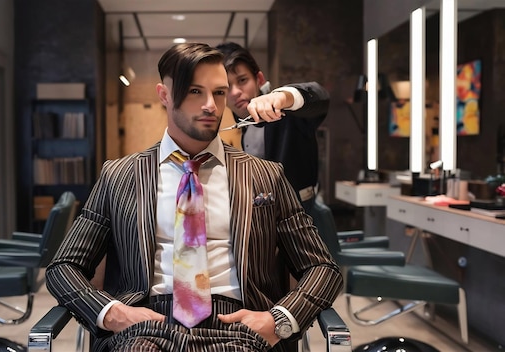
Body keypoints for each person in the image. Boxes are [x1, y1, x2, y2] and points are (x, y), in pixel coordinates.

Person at [46, 42, 342, 352]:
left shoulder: (265, 176)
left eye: (218, 92)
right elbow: (64, 265)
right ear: (164, 94)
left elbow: (322, 267)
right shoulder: (120, 176)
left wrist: (279, 319)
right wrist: (111, 313)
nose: (211, 106)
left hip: (239, 328)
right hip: (145, 325)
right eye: (194, 92)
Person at [216, 42, 330, 216]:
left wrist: (282, 97)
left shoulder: (287, 112)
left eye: (242, 80)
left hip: (304, 222)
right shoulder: (238, 124)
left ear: (259, 79)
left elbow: (319, 95)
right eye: (226, 87)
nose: (235, 92)